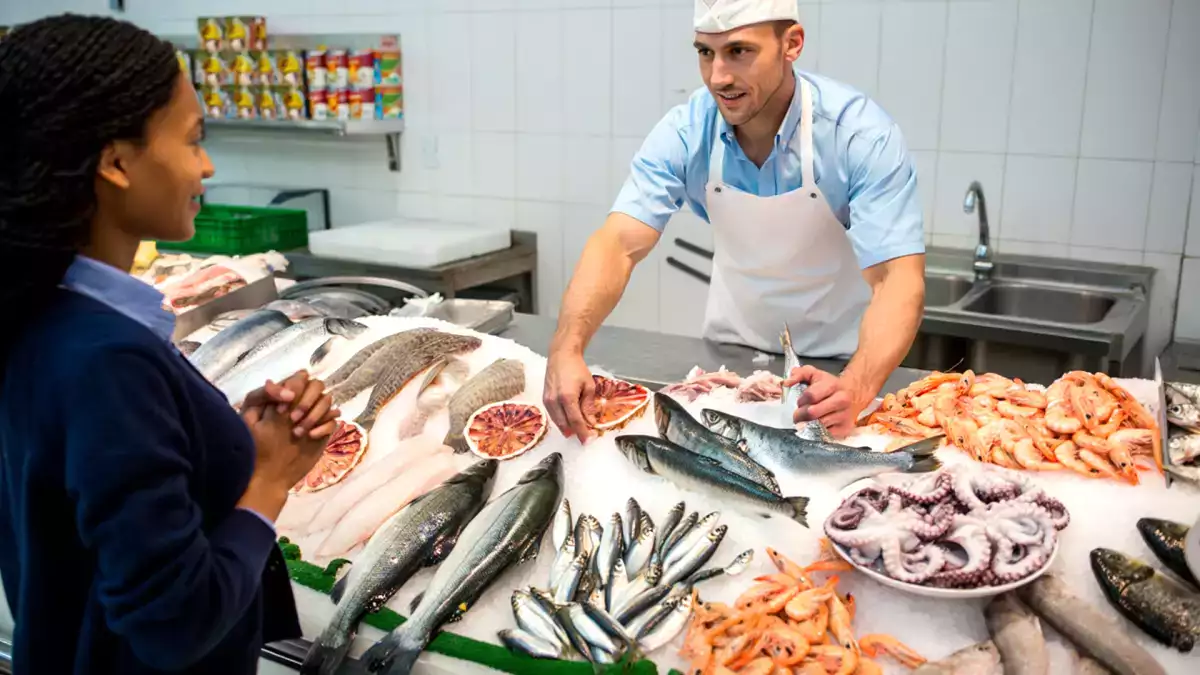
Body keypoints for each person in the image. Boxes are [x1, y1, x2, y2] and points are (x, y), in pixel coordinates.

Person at [0, 15, 339, 675]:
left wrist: (214, 439)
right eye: (192, 140)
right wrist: (270, 479)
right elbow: (173, 621)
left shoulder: (35, 308)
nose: (206, 166)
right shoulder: (104, 357)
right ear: (116, 161)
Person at [544, 0, 926, 440]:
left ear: (792, 45)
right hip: (728, 364)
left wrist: (857, 386)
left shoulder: (857, 135)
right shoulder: (688, 131)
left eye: (739, 51)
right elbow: (617, 243)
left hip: (844, 363)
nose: (718, 77)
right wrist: (566, 348)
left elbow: (899, 278)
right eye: (706, 53)